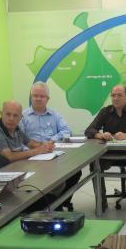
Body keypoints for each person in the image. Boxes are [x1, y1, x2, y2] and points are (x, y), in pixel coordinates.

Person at [85, 85, 126, 209]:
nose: (116, 98)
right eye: (113, 95)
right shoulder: (105, 111)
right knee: (95, 165)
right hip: (110, 152)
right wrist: (101, 135)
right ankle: (101, 202)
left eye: (119, 95)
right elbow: (89, 130)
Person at [21, 81, 81, 210]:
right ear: (31, 97)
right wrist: (37, 149)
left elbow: (66, 131)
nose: (38, 98)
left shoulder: (55, 115)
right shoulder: (23, 117)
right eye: (35, 95)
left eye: (41, 96)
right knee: (43, 177)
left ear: (47, 99)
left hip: (53, 154)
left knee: (76, 172)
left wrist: (52, 141)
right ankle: (48, 203)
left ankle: (60, 201)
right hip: (33, 157)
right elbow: (19, 140)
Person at [0, 99, 54, 170]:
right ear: (1, 114)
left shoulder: (16, 129)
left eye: (15, 115)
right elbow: (10, 157)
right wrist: (37, 150)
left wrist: (45, 145)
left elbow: (31, 143)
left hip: (17, 169)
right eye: (8, 114)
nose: (11, 119)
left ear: (20, 118)